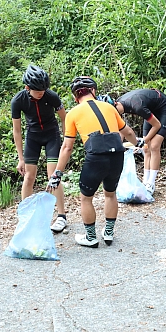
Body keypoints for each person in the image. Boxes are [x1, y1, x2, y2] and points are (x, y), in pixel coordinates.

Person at [46, 76, 143, 248]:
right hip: (117, 154)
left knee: (86, 198)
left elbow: (67, 147)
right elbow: (127, 131)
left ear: (76, 97)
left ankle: (91, 237)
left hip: (96, 157)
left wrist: (57, 174)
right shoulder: (109, 107)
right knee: (110, 194)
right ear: (93, 91)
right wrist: (138, 144)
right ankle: (108, 233)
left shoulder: (73, 113)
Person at [11, 64, 68, 232]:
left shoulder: (51, 96)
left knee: (53, 176)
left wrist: (66, 141)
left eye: (44, 89)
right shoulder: (18, 100)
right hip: (33, 137)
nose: (42, 92)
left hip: (51, 135)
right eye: (38, 90)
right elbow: (17, 130)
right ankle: (26, 217)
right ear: (27, 88)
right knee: (29, 176)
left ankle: (61, 216)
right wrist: (20, 158)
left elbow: (65, 118)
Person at [100, 88, 166, 194]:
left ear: (114, 106)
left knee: (154, 146)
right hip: (151, 111)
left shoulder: (137, 106)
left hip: (163, 110)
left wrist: (143, 141)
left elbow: (157, 125)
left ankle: (151, 183)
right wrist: (118, 147)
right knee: (146, 148)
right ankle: (145, 181)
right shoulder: (118, 106)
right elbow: (121, 130)